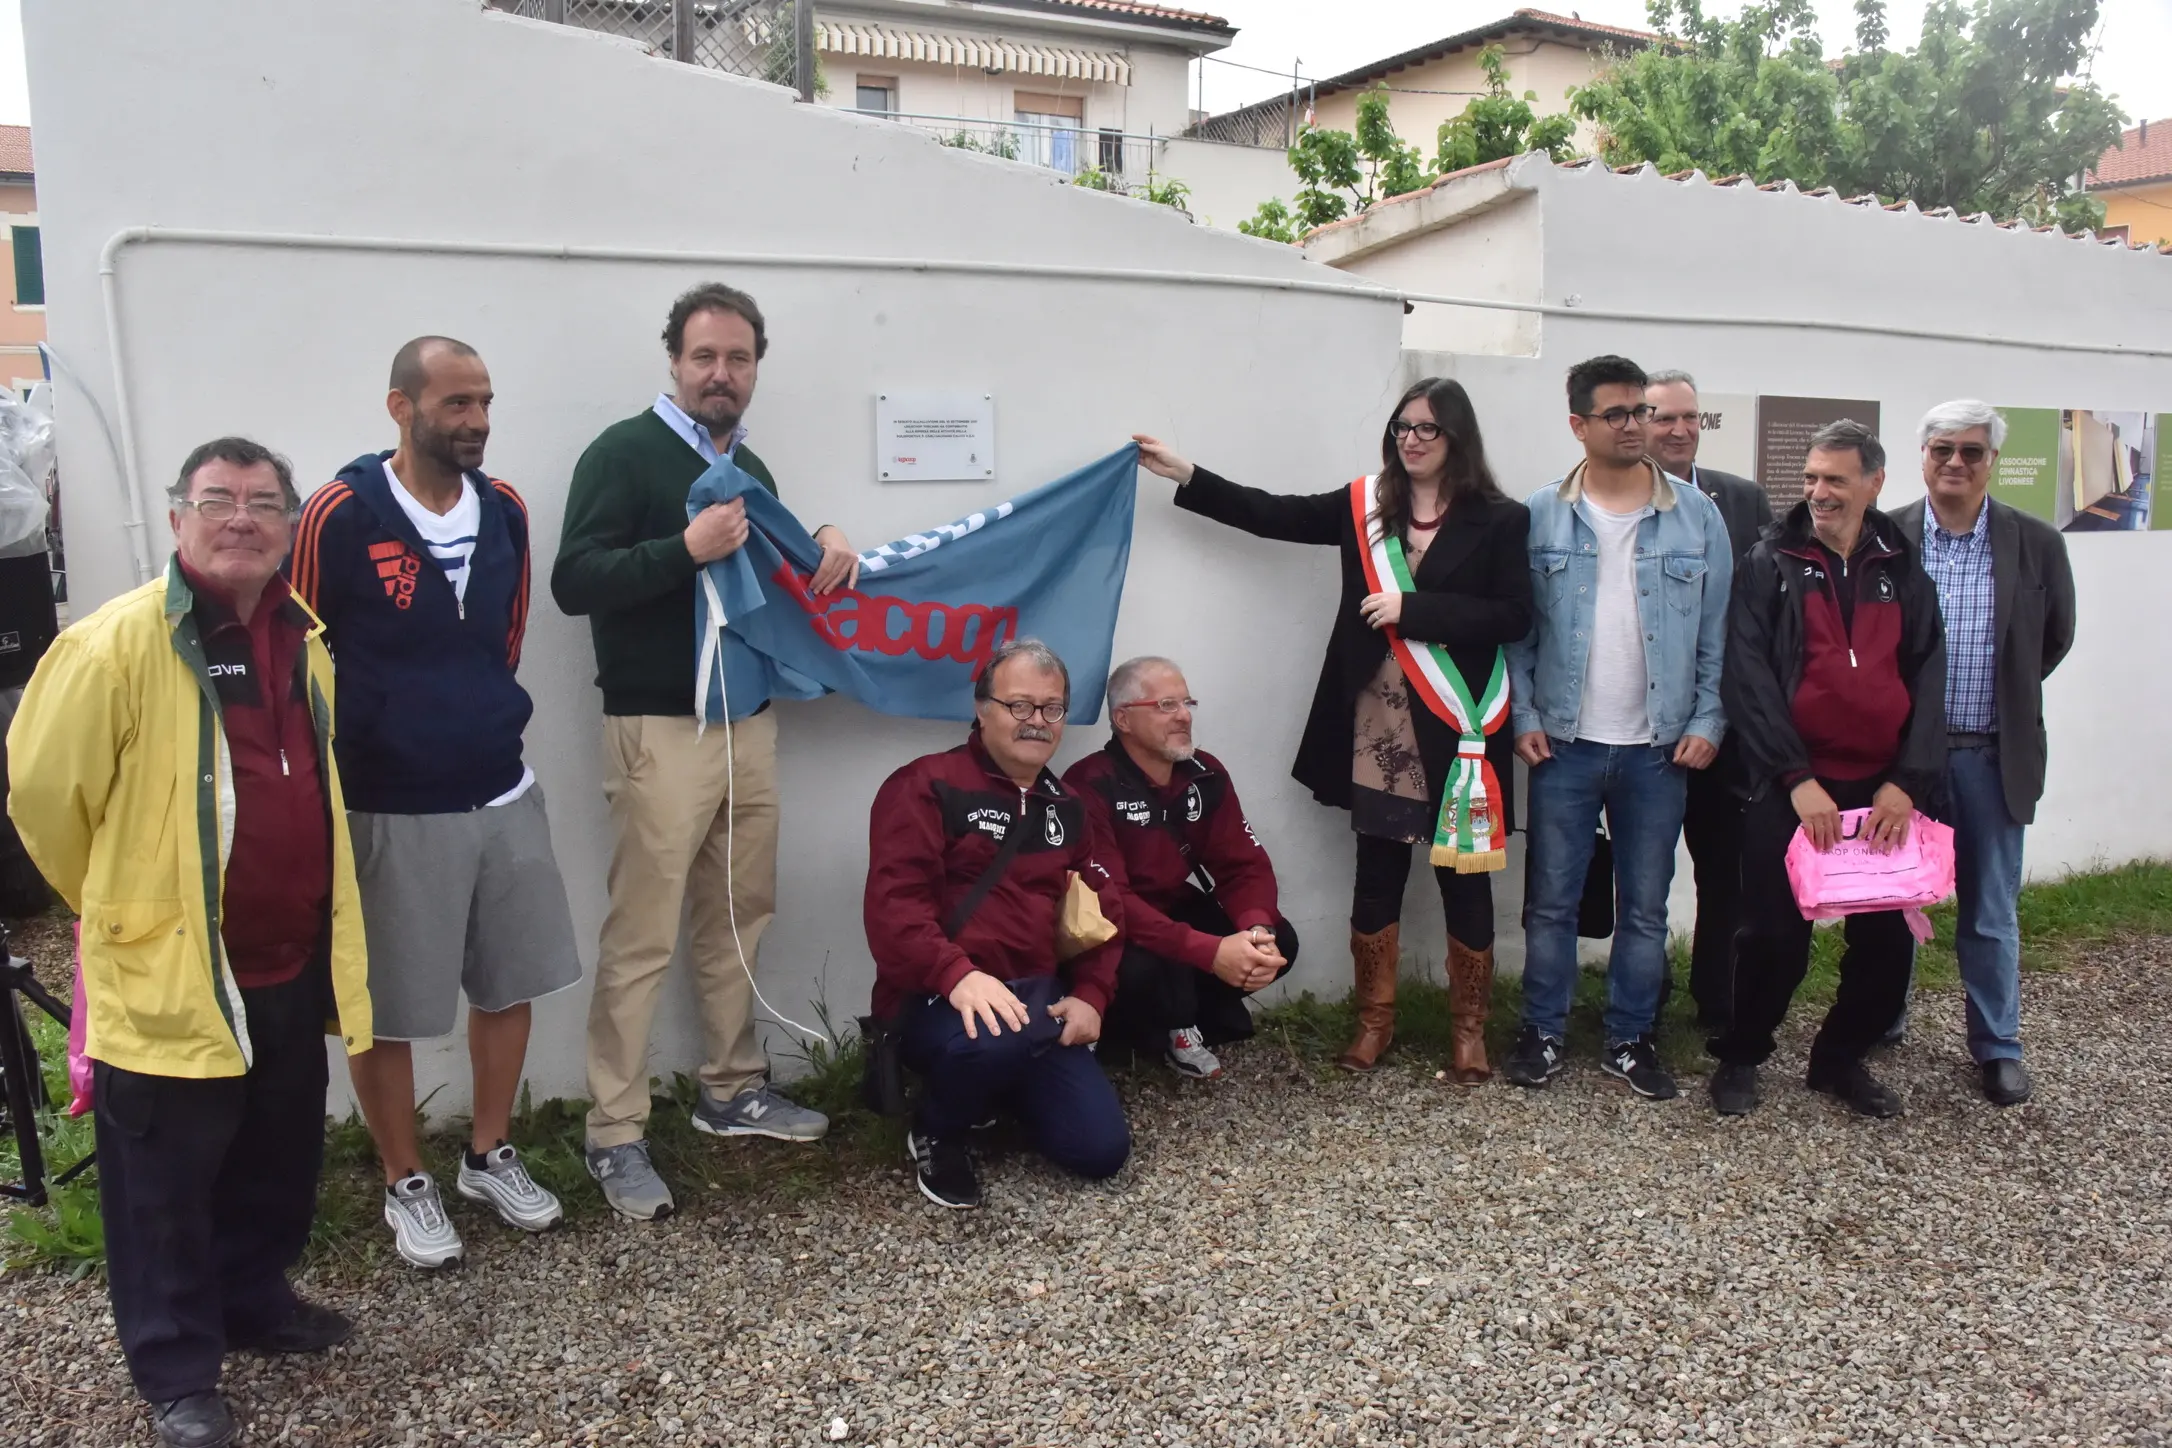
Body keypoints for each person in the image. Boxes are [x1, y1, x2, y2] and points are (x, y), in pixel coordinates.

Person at [8, 439, 373, 1448]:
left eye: (263, 502)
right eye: (218, 500)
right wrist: (122, 903)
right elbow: (44, 800)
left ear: (291, 523)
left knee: (275, 1152)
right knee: (163, 1182)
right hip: (173, 968)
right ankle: (176, 1367)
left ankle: (255, 1299)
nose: (241, 518)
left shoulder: (307, 640)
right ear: (178, 520)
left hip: (288, 957)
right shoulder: (112, 645)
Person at [553, 283, 860, 1220]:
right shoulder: (624, 451)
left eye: (737, 359)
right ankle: (615, 1131)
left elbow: (768, 559)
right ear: (674, 362)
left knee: (739, 912)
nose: (720, 373)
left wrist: (824, 536)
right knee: (641, 934)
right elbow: (574, 580)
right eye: (703, 357)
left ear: (756, 367)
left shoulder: (746, 459)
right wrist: (681, 549)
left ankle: (730, 1091)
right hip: (659, 728)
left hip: (747, 719)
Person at [1134, 377, 1532, 1083]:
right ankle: (1373, 1022)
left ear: (1457, 439)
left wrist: (1417, 611)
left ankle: (1469, 1033)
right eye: (1402, 426)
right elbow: (1273, 514)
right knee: (1376, 874)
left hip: (1459, 728)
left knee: (1463, 882)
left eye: (1426, 429)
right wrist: (1188, 474)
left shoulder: (1500, 519)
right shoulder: (1365, 505)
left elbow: (1513, 616)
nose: (1410, 439)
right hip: (1379, 726)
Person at [289, 337, 582, 1268]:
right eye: (456, 404)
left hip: (502, 787)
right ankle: (404, 1178)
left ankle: (489, 1152)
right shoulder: (339, 512)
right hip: (390, 804)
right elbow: (300, 652)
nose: (476, 422)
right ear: (400, 407)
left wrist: (477, 723)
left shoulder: (507, 511)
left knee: (509, 981)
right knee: (387, 1007)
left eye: (486, 403)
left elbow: (502, 640)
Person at [1504, 356, 1732, 1101]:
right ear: (1579, 425)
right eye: (1620, 414)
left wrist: (1707, 717)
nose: (1638, 425)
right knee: (1551, 902)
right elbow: (1520, 631)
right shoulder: (1539, 515)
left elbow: (1720, 635)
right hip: (1564, 745)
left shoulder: (1698, 517)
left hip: (1660, 750)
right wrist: (1526, 716)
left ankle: (1631, 1038)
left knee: (1645, 905)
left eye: (1642, 411)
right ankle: (1542, 1029)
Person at [1709, 420, 1947, 1118]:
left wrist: (1908, 783)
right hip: (1794, 787)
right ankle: (1744, 1052)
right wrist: (1794, 778)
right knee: (1772, 937)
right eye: (1811, 478)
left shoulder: (1902, 567)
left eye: (1834, 480)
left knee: (1886, 946)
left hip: (1884, 790)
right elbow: (1746, 676)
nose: (1818, 492)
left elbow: (1930, 674)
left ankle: (1840, 1058)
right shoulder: (1770, 561)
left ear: (1873, 483)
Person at [864, 639, 1131, 1210]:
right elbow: (894, 909)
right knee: (996, 1036)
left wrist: (1091, 997)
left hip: (1034, 1003)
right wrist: (957, 975)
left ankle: (996, 1090)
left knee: (1100, 1150)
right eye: (1019, 706)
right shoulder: (924, 785)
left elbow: (1105, 912)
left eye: (1051, 708)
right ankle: (938, 1129)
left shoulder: (1070, 807)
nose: (1037, 722)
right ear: (982, 707)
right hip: (936, 997)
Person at [1889, 400, 2075, 1106]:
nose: (1956, 464)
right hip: (1906, 762)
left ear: (1992, 461)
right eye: (1943, 450)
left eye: (1971, 452)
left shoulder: (2035, 542)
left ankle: (1997, 1045)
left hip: (1995, 757)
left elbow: (2052, 638)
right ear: (1924, 456)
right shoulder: (1892, 537)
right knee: (1897, 897)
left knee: (1989, 910)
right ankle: (1884, 1017)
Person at [1062, 655, 1297, 1079]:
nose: (1184, 716)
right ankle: (1132, 1034)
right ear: (1123, 719)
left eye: (1187, 703)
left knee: (1282, 941)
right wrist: (1209, 953)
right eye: (1165, 705)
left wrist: (1257, 929)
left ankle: (1185, 1020)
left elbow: (1243, 864)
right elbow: (1111, 901)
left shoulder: (1205, 772)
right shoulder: (1088, 783)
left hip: (1173, 905)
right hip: (1116, 923)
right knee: (1140, 968)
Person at [1644, 370, 1775, 1028]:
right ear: (1639, 423)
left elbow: (1768, 608)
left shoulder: (1742, 499)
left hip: (1727, 726)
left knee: (1723, 869)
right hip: (1643, 725)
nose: (1680, 429)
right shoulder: (1616, 500)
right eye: (1665, 417)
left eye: (1690, 417)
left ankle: (1717, 997)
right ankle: (1647, 994)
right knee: (1645, 874)